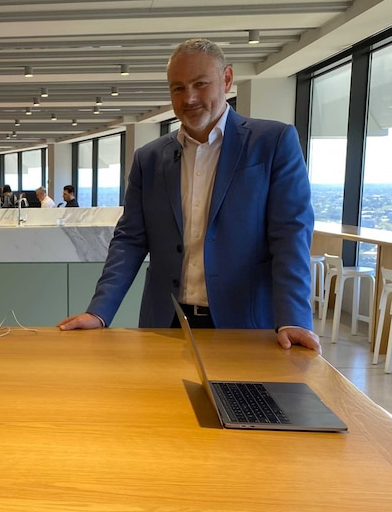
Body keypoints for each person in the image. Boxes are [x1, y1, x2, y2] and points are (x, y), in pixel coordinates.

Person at [58, 38, 319, 352]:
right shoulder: (149, 158)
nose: (189, 98)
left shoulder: (273, 142)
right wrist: (99, 311)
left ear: (226, 79)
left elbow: (290, 235)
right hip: (166, 323)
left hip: (245, 324)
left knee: (244, 403)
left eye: (200, 84)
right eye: (178, 88)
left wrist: (294, 319)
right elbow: (129, 239)